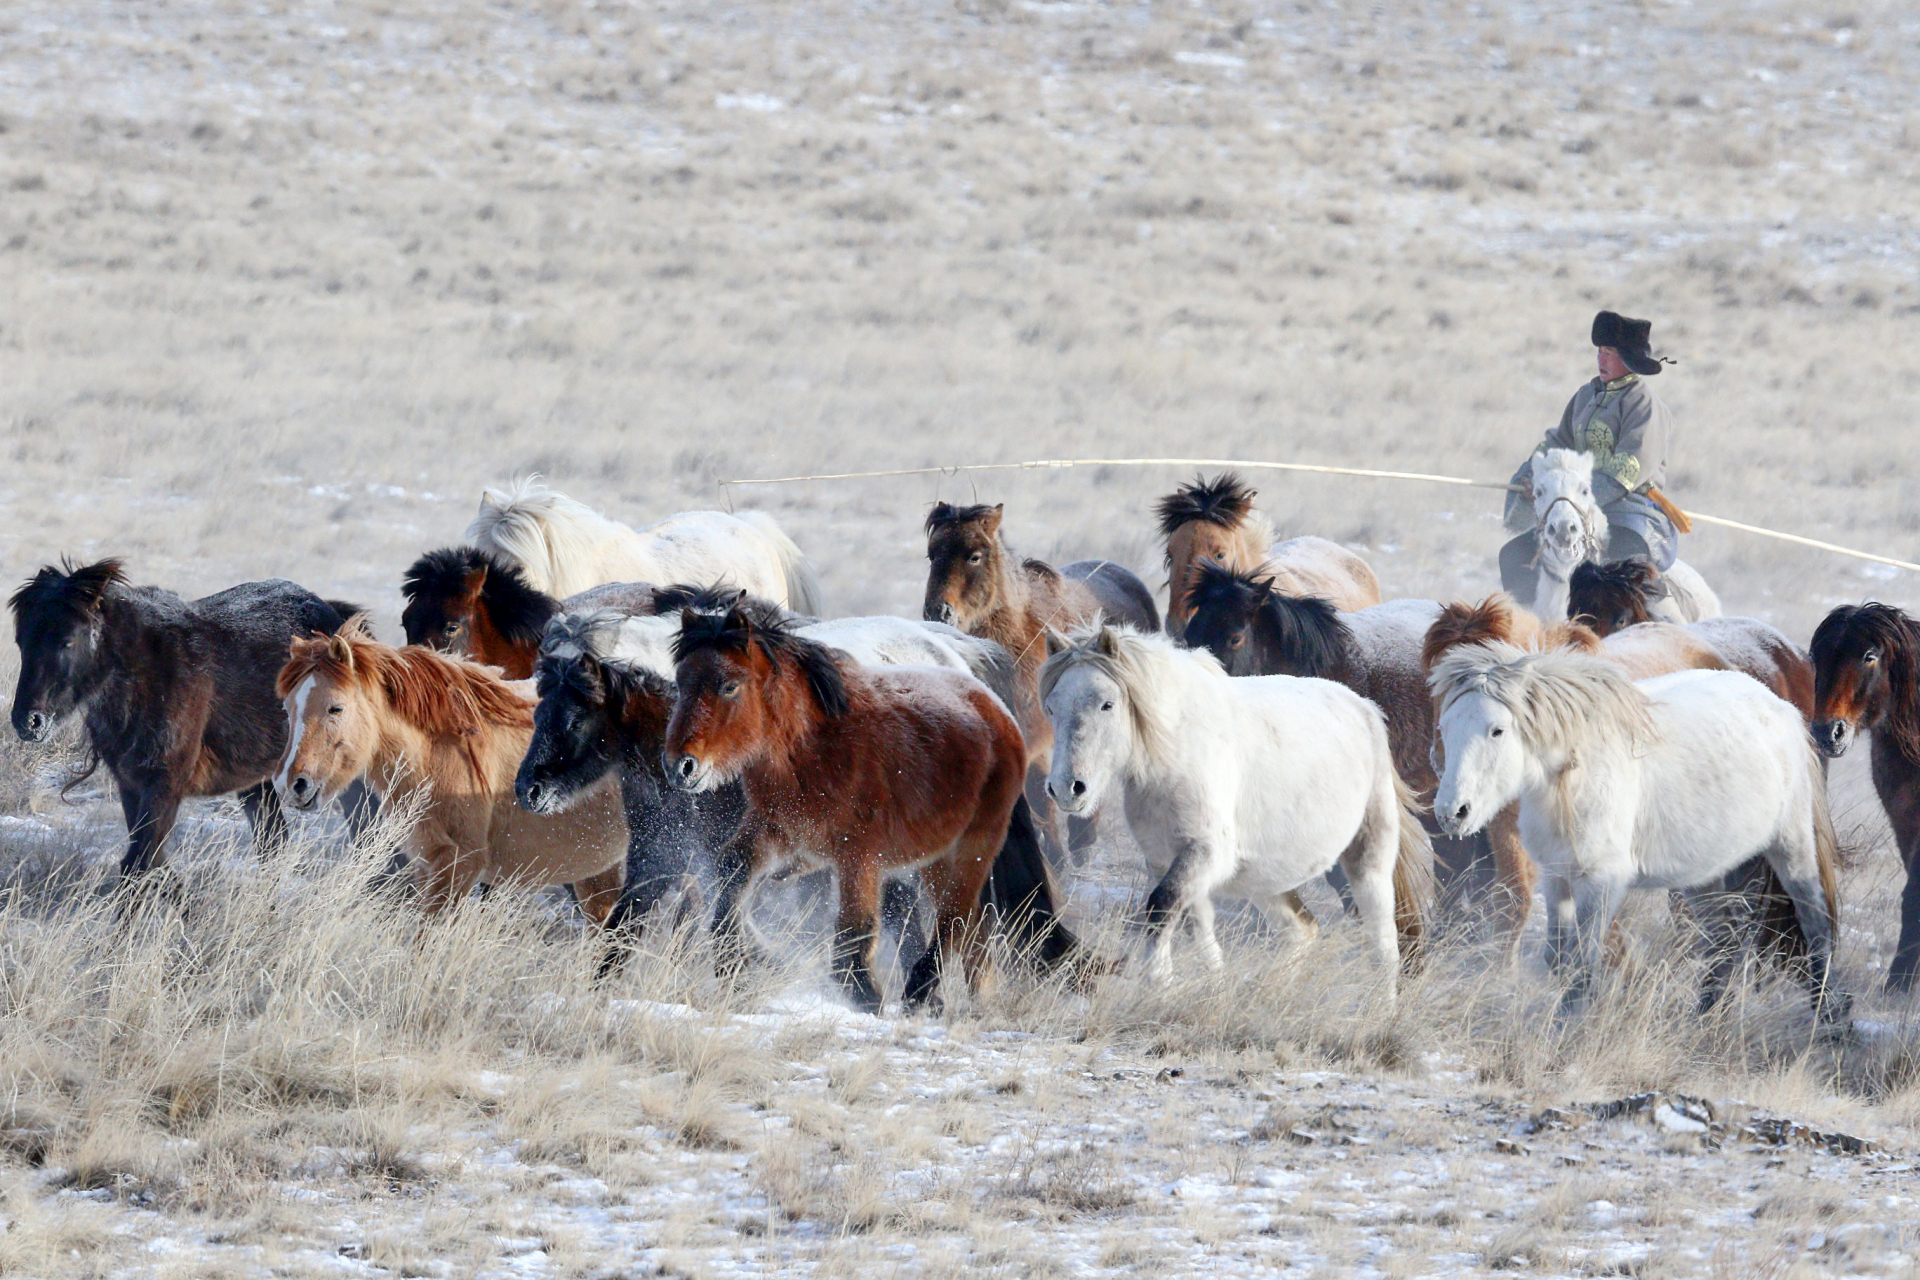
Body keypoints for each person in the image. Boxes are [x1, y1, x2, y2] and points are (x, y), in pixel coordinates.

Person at [1499, 310, 1683, 601]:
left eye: (1610, 352)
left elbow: (1626, 471)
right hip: (1576, 508)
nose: (1601, 359)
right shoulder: (1586, 396)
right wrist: (1532, 477)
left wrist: (1572, 495)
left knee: (1621, 562)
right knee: (1514, 555)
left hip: (1630, 510)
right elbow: (1558, 445)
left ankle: (1646, 619)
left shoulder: (1644, 405)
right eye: (1600, 351)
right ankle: (1530, 620)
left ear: (1629, 358)